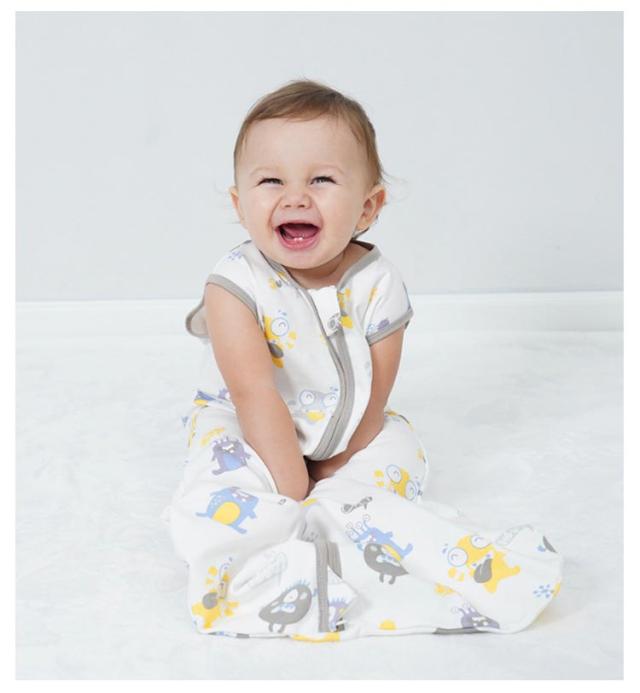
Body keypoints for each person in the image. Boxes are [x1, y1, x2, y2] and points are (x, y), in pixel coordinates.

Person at [163, 79, 563, 641]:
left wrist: (345, 456)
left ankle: (346, 529)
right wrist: (294, 486)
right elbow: (254, 392)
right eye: (271, 180)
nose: (295, 198)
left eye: (321, 180)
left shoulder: (377, 282)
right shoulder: (234, 285)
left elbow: (378, 389)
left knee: (398, 453)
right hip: (248, 422)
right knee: (219, 475)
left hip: (350, 425)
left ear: (368, 206)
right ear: (239, 203)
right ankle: (280, 557)